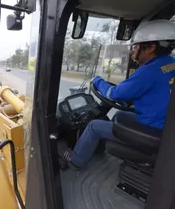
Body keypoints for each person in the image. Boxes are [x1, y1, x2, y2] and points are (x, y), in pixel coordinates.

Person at [58, 19, 175, 170]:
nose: (132, 51)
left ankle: (76, 160)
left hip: (155, 130)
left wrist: (97, 80)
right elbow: (156, 93)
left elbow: (113, 94)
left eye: (136, 46)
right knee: (119, 115)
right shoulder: (169, 63)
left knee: (93, 126)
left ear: (151, 47)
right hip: (166, 127)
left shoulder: (148, 71)